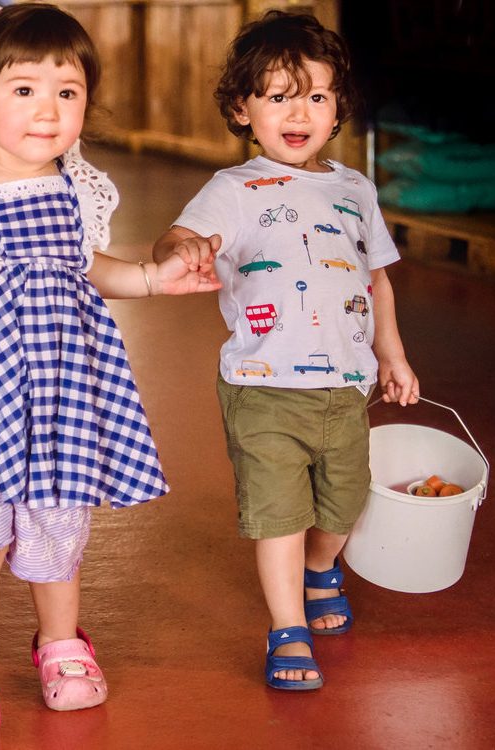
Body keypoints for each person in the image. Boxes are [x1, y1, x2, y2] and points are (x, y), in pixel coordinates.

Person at [0, 5, 219, 749]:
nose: (47, 109)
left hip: (59, 397)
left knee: (56, 532)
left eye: (67, 91)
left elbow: (88, 270)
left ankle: (61, 645)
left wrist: (155, 280)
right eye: (23, 88)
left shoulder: (74, 189)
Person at [152, 10, 419, 691]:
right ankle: (286, 625)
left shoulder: (356, 190)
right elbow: (177, 236)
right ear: (243, 109)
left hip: (347, 388)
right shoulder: (234, 191)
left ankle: (321, 566)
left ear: (338, 110)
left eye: (318, 96)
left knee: (344, 504)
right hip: (263, 385)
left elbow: (376, 279)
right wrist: (182, 251)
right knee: (279, 514)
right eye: (279, 96)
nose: (300, 111)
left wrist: (393, 356)